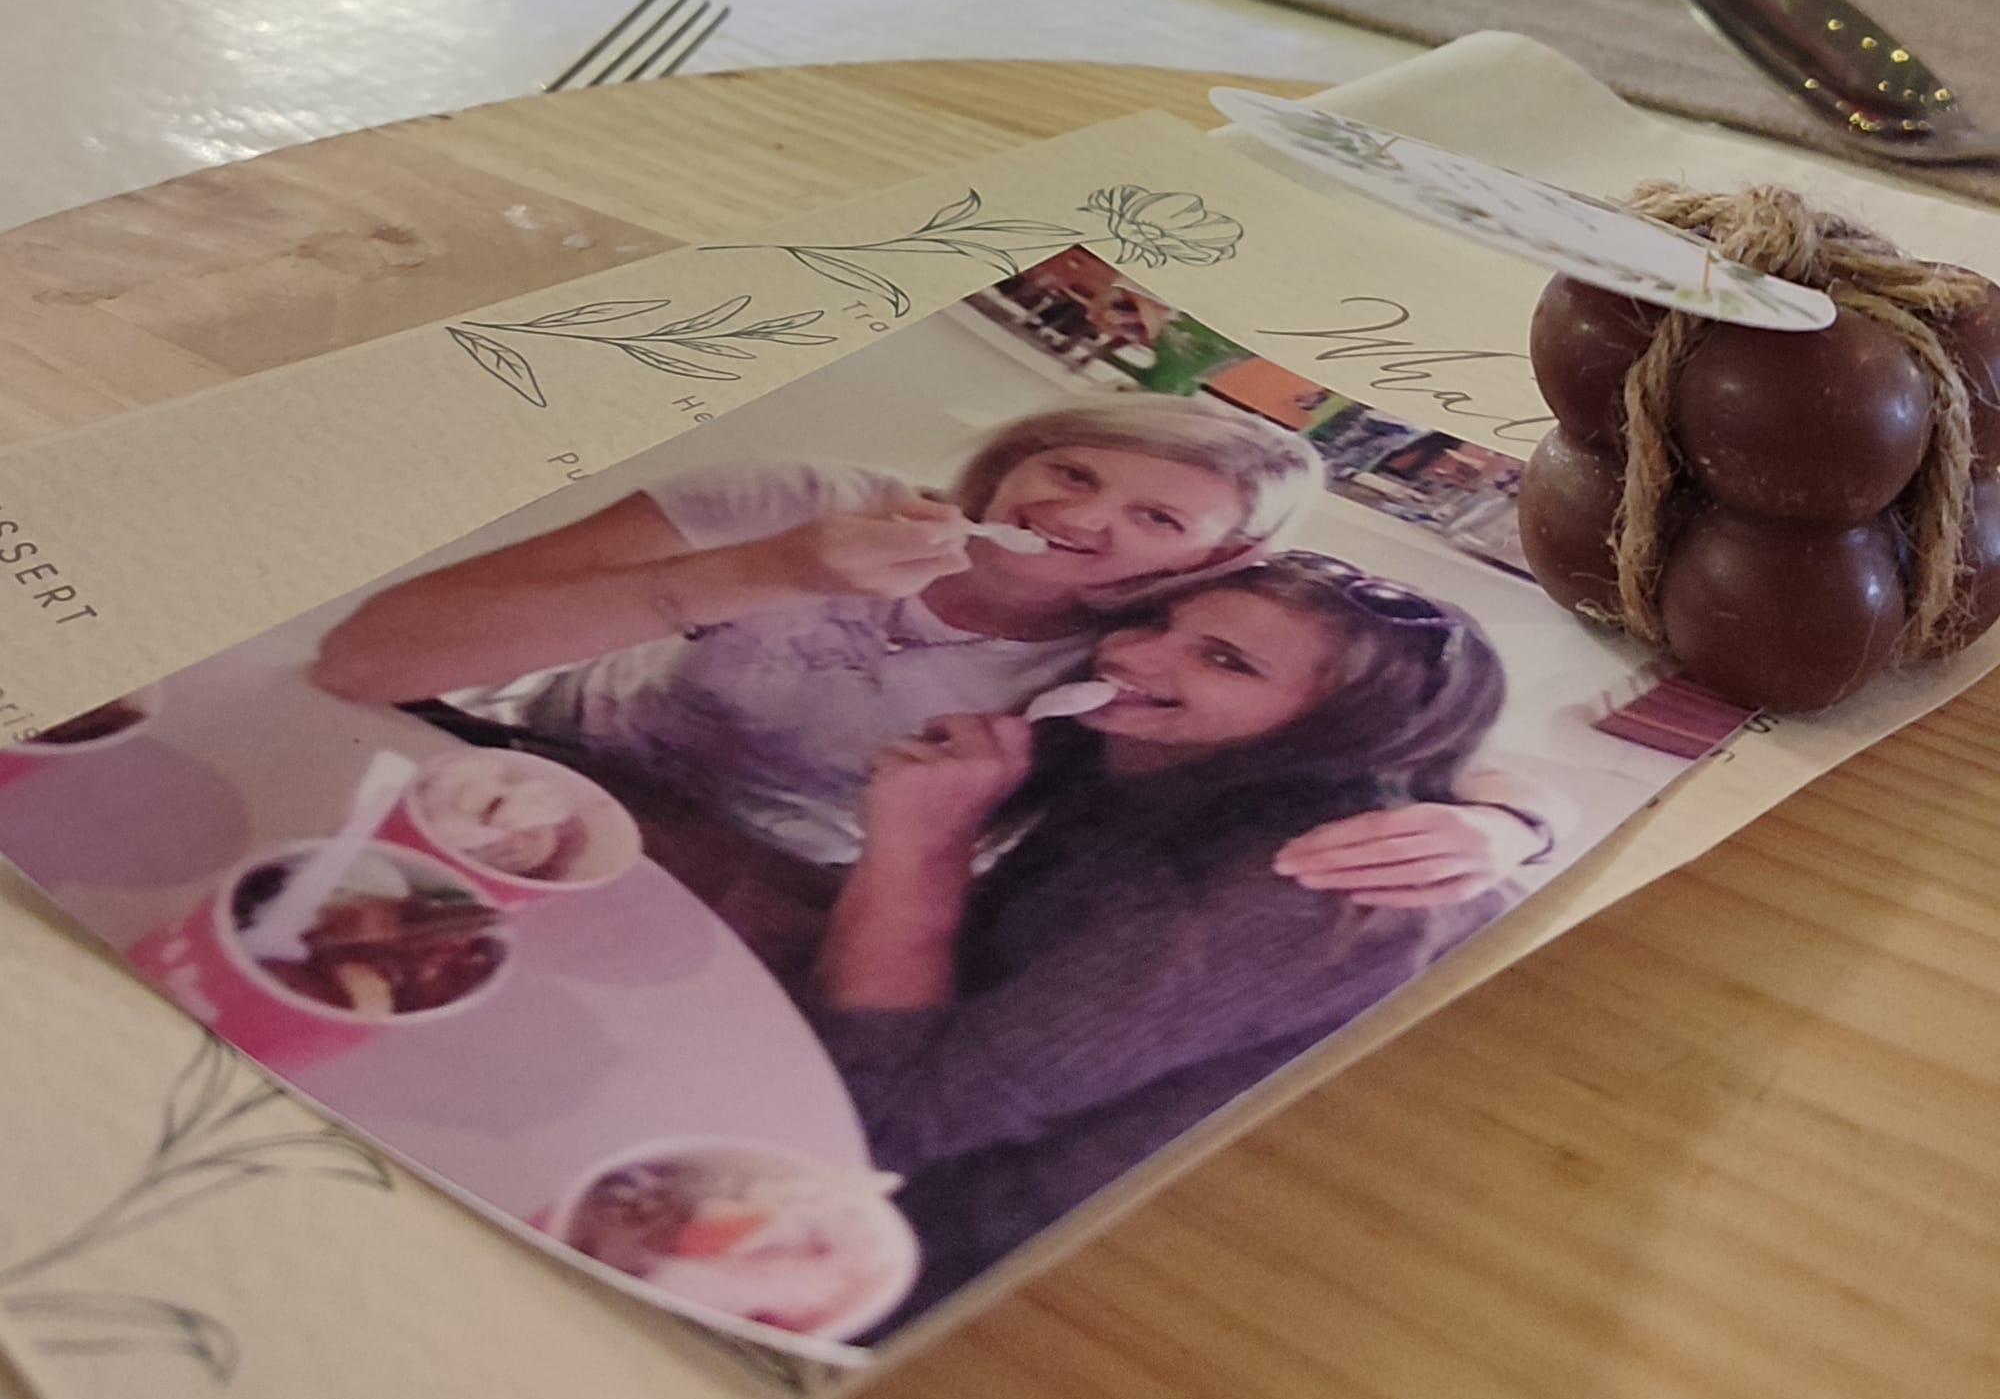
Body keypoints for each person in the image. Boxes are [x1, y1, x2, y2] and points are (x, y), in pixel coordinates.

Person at [312, 400, 1549, 959]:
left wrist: (1506, 827)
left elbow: (1433, 744)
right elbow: (371, 656)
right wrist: (771, 569)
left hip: (733, 889)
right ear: (1016, 460)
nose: (1077, 518)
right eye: (1071, 473)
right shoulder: (795, 504)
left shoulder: (1136, 665)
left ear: (1211, 564)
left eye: (1155, 519)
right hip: (511, 765)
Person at [810, 553, 1511, 1319]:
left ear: (1344, 733)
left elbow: (879, 1122)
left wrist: (919, 847)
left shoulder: (1296, 891)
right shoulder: (1150, 767)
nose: (1133, 654)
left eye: (1226, 661)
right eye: (1158, 619)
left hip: (957, 1276)